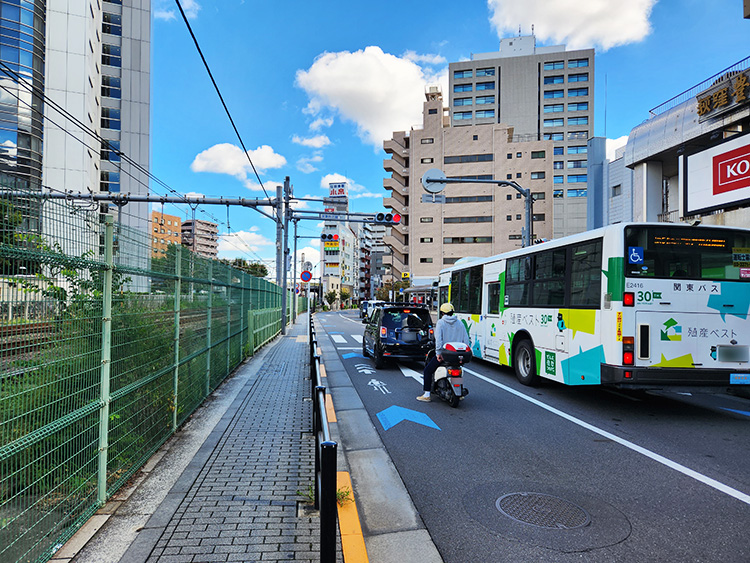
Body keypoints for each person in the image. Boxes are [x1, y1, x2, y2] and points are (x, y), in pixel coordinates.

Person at [418, 302, 470, 402]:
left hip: (445, 355)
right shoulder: (460, 323)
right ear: (452, 312)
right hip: (458, 355)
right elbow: (466, 340)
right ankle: (459, 391)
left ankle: (427, 394)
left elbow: (439, 340)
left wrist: (438, 354)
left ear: (442, 313)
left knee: (428, 370)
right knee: (457, 369)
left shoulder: (441, 323)